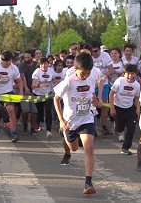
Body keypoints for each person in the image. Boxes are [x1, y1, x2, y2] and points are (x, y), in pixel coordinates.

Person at [53, 53, 100, 195]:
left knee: (89, 147)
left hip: (86, 118)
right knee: (73, 148)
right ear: (74, 68)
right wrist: (61, 120)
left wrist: (96, 102)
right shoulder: (69, 81)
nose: (85, 76)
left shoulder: (91, 79)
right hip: (70, 120)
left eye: (88, 73)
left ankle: (88, 182)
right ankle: (66, 139)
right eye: (82, 73)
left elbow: (92, 96)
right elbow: (56, 99)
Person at [0, 50, 23, 142]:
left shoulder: (14, 68)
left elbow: (19, 81)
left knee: (11, 109)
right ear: (1, 60)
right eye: (6, 61)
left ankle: (13, 132)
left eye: (9, 60)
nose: (8, 63)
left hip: (8, 92)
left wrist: (21, 92)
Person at [109, 64, 141, 153]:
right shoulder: (119, 81)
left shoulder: (137, 85)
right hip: (118, 107)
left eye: (132, 73)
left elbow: (137, 98)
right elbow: (111, 94)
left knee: (131, 128)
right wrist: (112, 108)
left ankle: (125, 148)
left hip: (130, 108)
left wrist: (138, 109)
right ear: (124, 73)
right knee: (120, 128)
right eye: (128, 73)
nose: (130, 76)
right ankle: (117, 127)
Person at [91, 40, 114, 136]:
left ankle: (104, 127)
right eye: (92, 52)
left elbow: (111, 69)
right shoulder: (89, 56)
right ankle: (93, 128)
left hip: (104, 83)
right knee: (92, 105)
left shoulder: (105, 56)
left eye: (96, 51)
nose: (94, 53)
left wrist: (103, 78)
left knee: (104, 104)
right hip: (92, 84)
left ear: (99, 49)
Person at [31, 57, 55, 138]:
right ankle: (39, 122)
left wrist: (57, 87)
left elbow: (54, 81)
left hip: (48, 94)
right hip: (38, 94)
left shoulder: (51, 71)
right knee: (39, 111)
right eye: (42, 64)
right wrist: (39, 85)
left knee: (48, 111)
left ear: (48, 64)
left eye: (45, 63)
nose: (44, 66)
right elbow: (33, 85)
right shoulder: (37, 72)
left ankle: (49, 130)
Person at [17, 49, 38, 135]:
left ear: (33, 57)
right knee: (25, 110)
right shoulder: (21, 65)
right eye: (25, 57)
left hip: (34, 90)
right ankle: (25, 124)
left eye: (28, 57)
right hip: (24, 90)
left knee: (34, 111)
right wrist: (25, 88)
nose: (26, 59)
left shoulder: (37, 65)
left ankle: (32, 128)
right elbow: (22, 77)